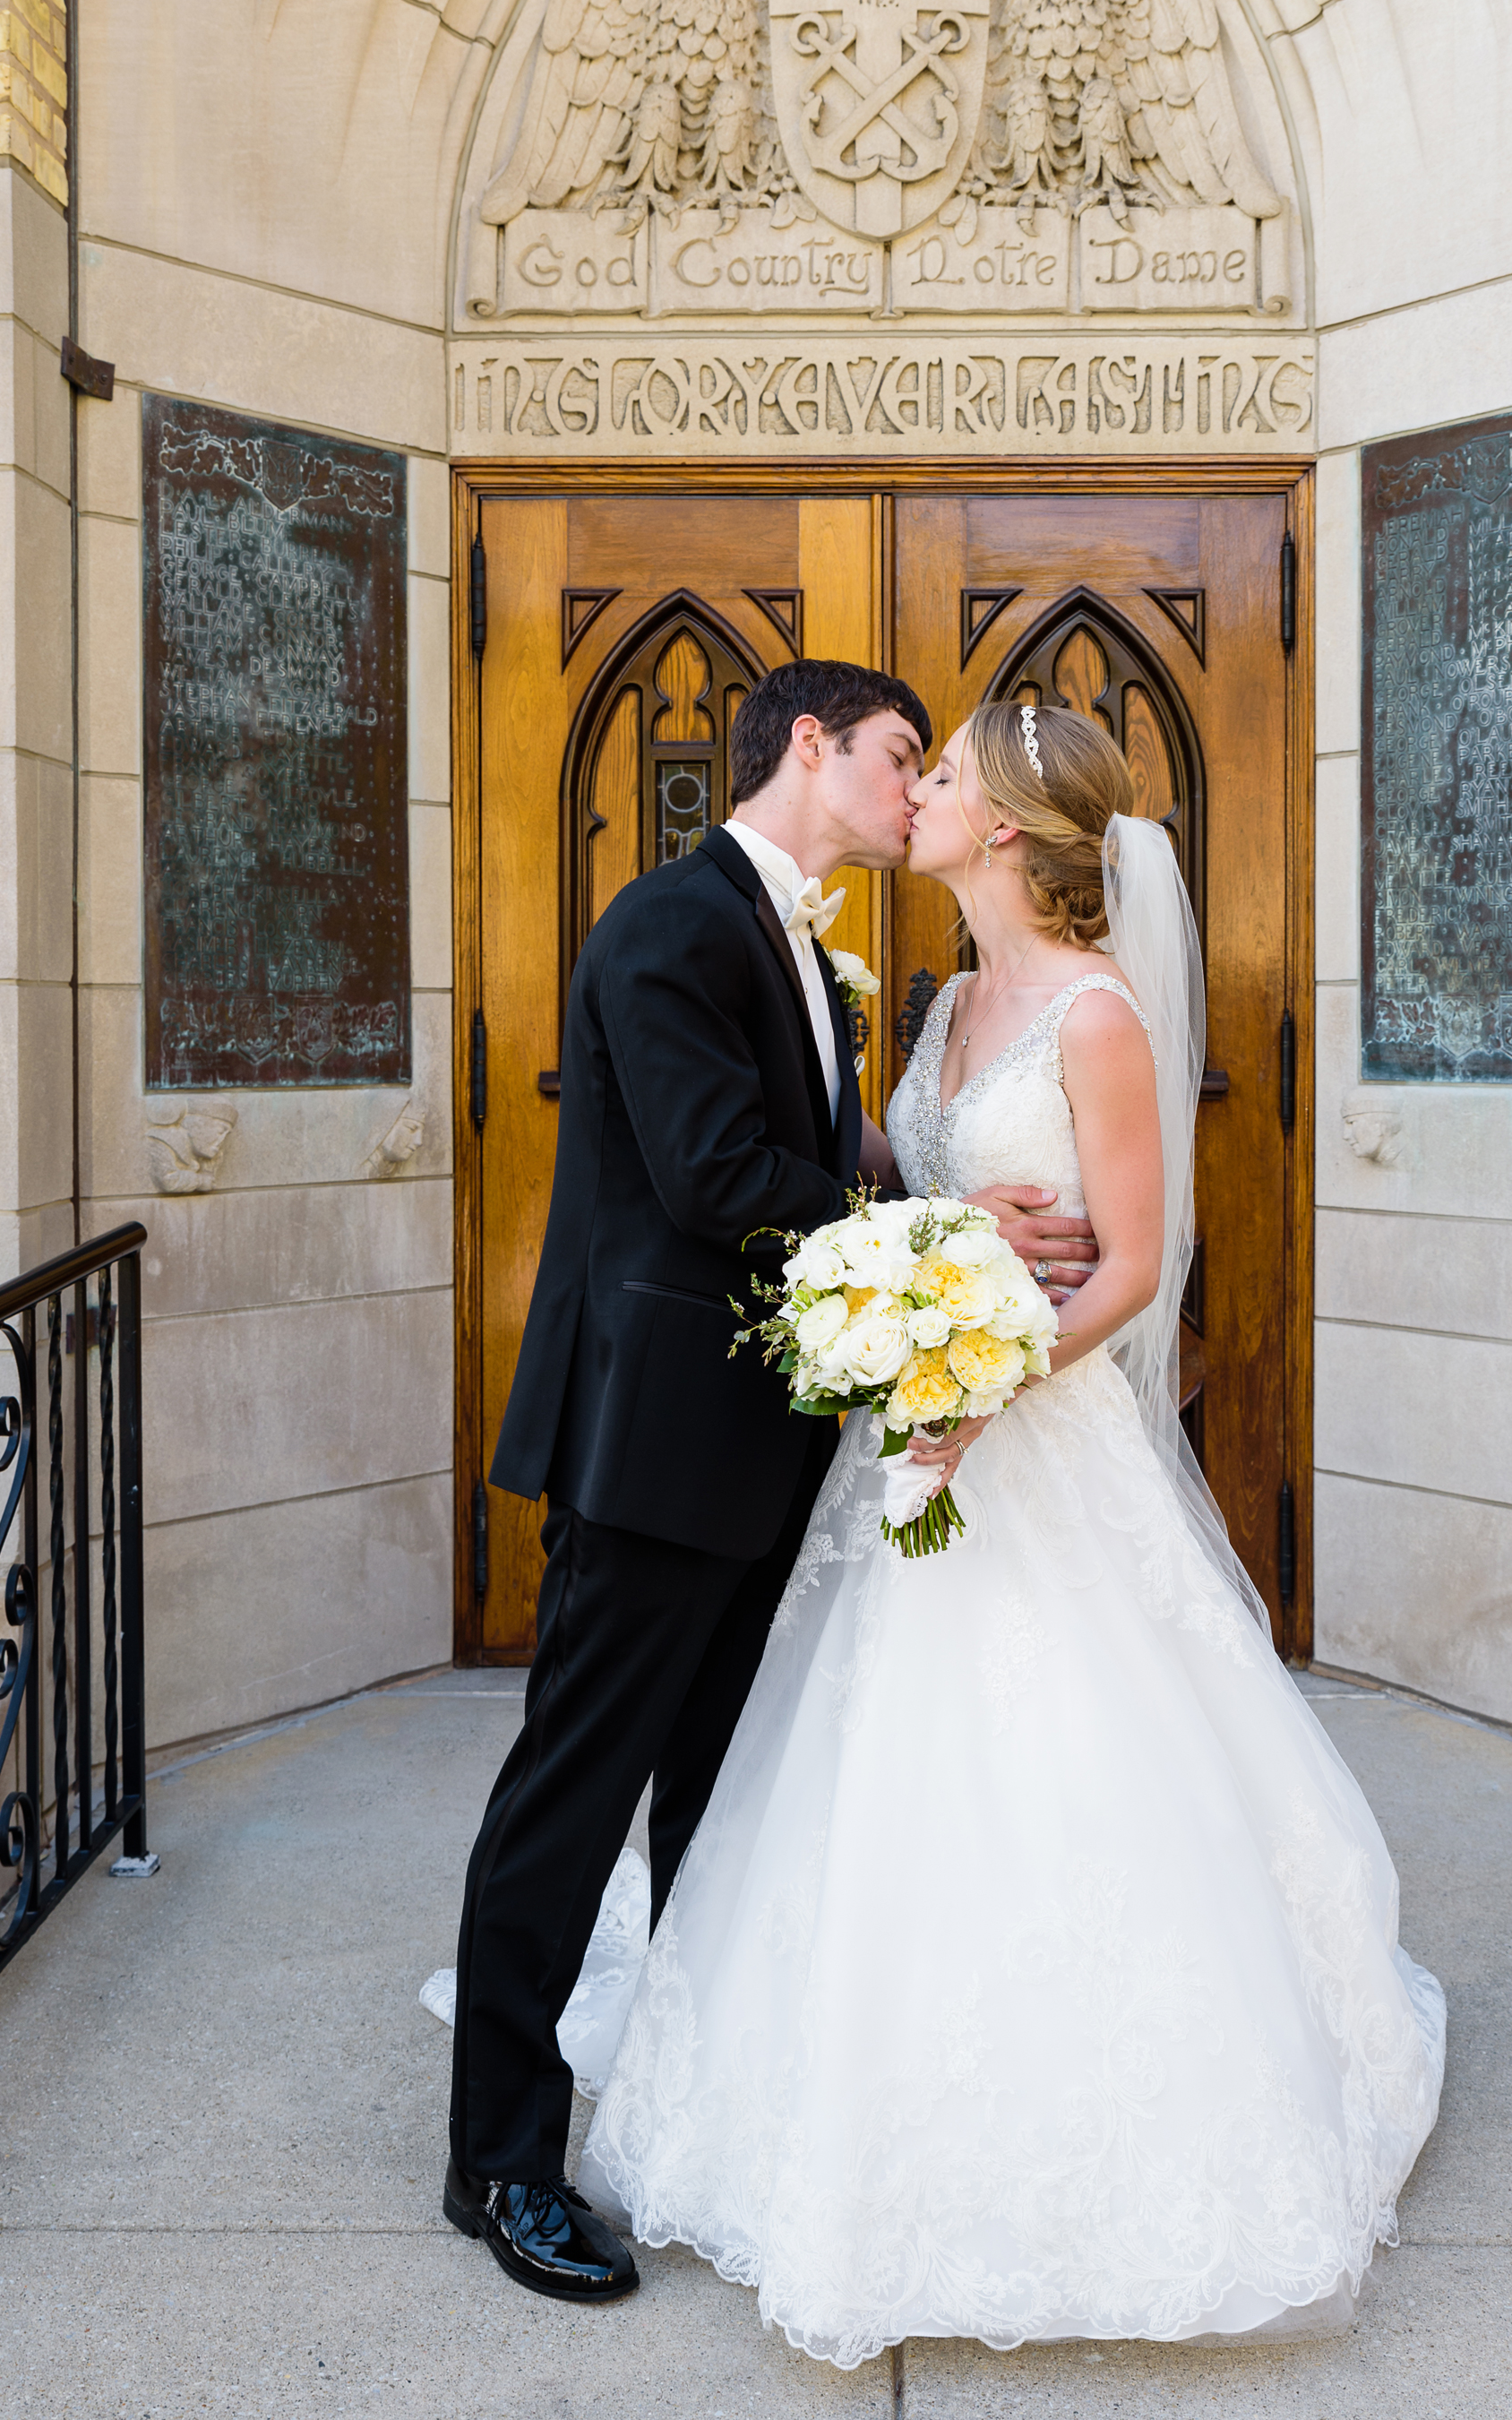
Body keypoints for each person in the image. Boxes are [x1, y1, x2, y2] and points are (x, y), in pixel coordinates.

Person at [577, 698, 1447, 2363]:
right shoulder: (953, 998)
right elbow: (913, 1190)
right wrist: (915, 1297)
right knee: (865, 1770)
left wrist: (985, 1382)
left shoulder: (1099, 1021)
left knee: (1060, 1767)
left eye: (947, 773)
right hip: (914, 1455)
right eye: (917, 763)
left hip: (1036, 1453)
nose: (918, 791)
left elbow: (1127, 1264)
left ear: (1010, 832)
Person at [442, 661, 1099, 2302]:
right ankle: (500, 2162)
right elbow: (718, 1174)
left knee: (718, 1814)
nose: (909, 788)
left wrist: (907, 1173)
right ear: (810, 746)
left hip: (765, 1457)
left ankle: (686, 2115)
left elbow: (811, 1148)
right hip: (652, 1451)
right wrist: (948, 1236)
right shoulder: (672, 924)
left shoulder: (816, 953)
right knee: (572, 1801)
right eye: (895, 757)